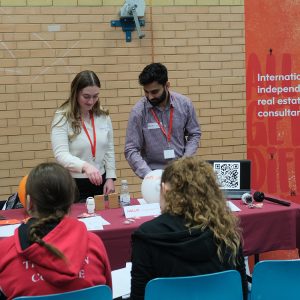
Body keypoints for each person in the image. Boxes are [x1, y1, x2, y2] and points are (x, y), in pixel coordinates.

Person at [130, 157, 248, 300]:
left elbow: (139, 296)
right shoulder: (226, 231)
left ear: (165, 190)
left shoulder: (146, 236)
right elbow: (241, 293)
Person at [0, 162, 112, 300]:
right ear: (70, 202)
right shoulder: (94, 244)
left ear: (29, 202)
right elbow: (107, 292)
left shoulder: (5, 251)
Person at [124, 63, 201, 179]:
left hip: (182, 172)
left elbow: (194, 134)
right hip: (153, 175)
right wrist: (149, 175)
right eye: (146, 92)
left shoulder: (184, 105)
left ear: (167, 86)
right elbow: (131, 149)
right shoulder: (138, 112)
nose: (150, 97)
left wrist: (185, 161)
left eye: (154, 92)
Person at [51, 70, 116, 202]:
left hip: (100, 183)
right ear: (75, 93)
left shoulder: (103, 116)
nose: (91, 101)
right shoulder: (62, 117)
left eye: (95, 96)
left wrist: (110, 178)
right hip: (73, 184)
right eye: (86, 96)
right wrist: (85, 166)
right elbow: (61, 154)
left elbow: (109, 149)